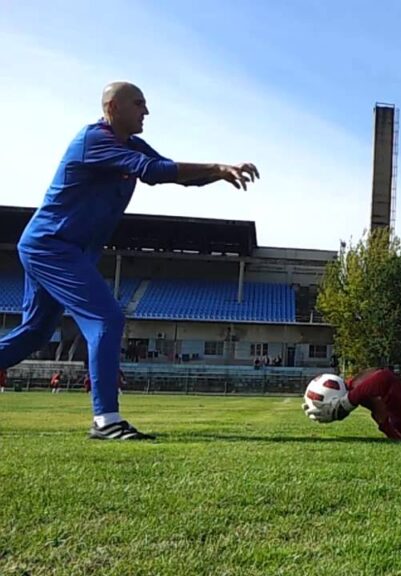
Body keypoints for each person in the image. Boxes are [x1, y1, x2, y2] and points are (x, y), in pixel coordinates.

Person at [0, 82, 259, 440]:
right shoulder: (94, 140)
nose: (146, 112)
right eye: (139, 104)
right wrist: (214, 165)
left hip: (66, 251)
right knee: (106, 317)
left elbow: (168, 171)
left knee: (34, 333)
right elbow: (152, 172)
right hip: (51, 246)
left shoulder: (131, 144)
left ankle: (105, 418)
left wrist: (219, 172)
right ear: (113, 107)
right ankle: (106, 420)